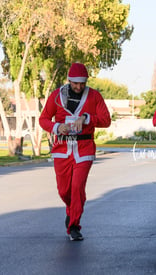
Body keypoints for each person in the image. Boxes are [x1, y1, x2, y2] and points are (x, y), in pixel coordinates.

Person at [39, 63, 111, 241]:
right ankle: (72, 211)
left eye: (82, 83)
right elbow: (43, 119)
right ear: (69, 80)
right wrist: (57, 126)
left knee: (77, 187)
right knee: (64, 191)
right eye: (75, 83)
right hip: (62, 148)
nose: (79, 87)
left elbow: (106, 120)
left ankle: (74, 226)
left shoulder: (94, 96)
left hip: (84, 148)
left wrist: (87, 118)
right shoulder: (56, 97)